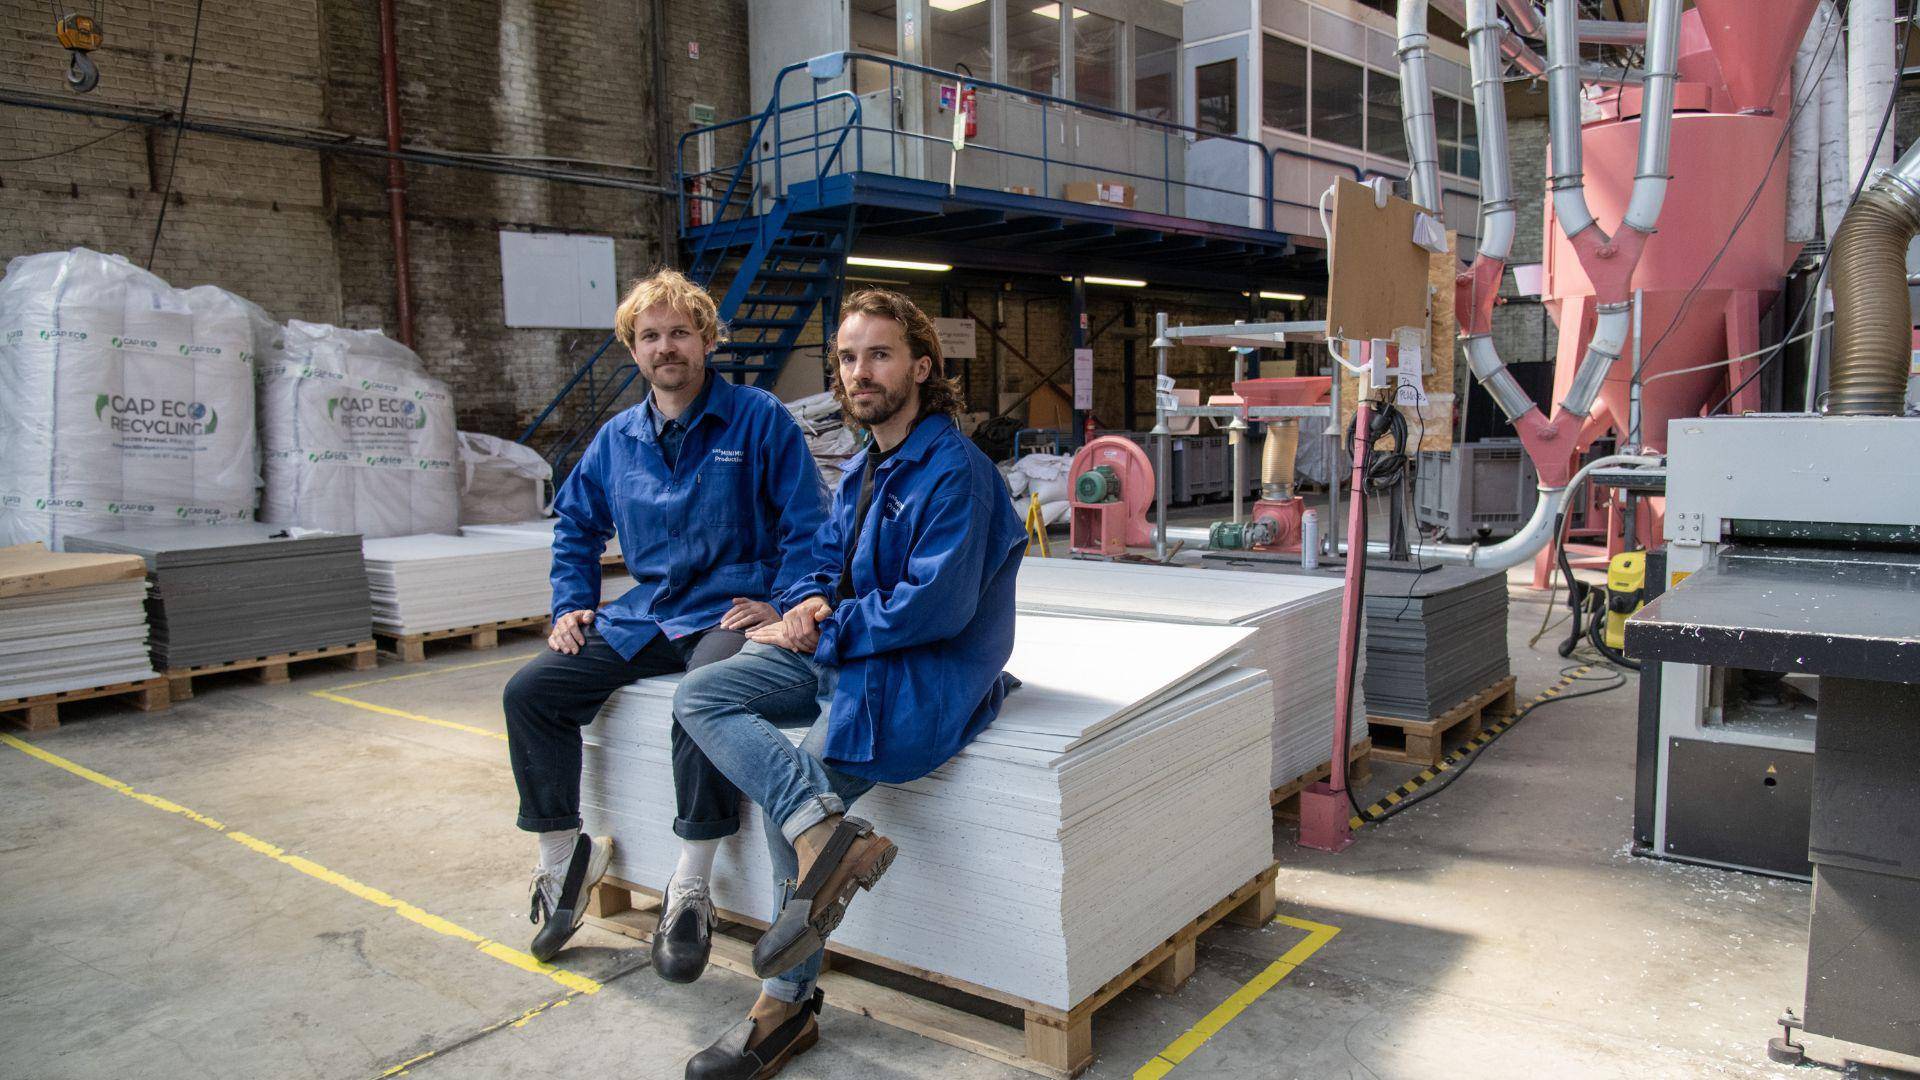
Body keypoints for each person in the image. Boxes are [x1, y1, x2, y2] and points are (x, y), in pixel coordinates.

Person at [671, 288, 1026, 1080]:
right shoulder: (868, 465)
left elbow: (934, 609)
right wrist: (805, 606)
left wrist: (826, 627)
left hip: (916, 674)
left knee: (787, 802)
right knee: (703, 693)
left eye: (880, 354)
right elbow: (827, 562)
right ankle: (828, 835)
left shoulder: (956, 475)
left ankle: (785, 1007)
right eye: (847, 356)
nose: (859, 372)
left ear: (922, 367)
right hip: (848, 653)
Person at [501, 267, 826, 972]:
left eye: (680, 332)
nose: (665, 346)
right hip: (647, 613)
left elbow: (809, 522)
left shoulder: (759, 420)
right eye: (650, 336)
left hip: (732, 609)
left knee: (702, 694)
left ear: (708, 341)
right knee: (530, 693)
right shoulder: (618, 440)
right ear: (634, 350)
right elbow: (575, 525)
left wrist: (784, 600)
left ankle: (690, 885)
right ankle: (564, 857)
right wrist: (571, 602)